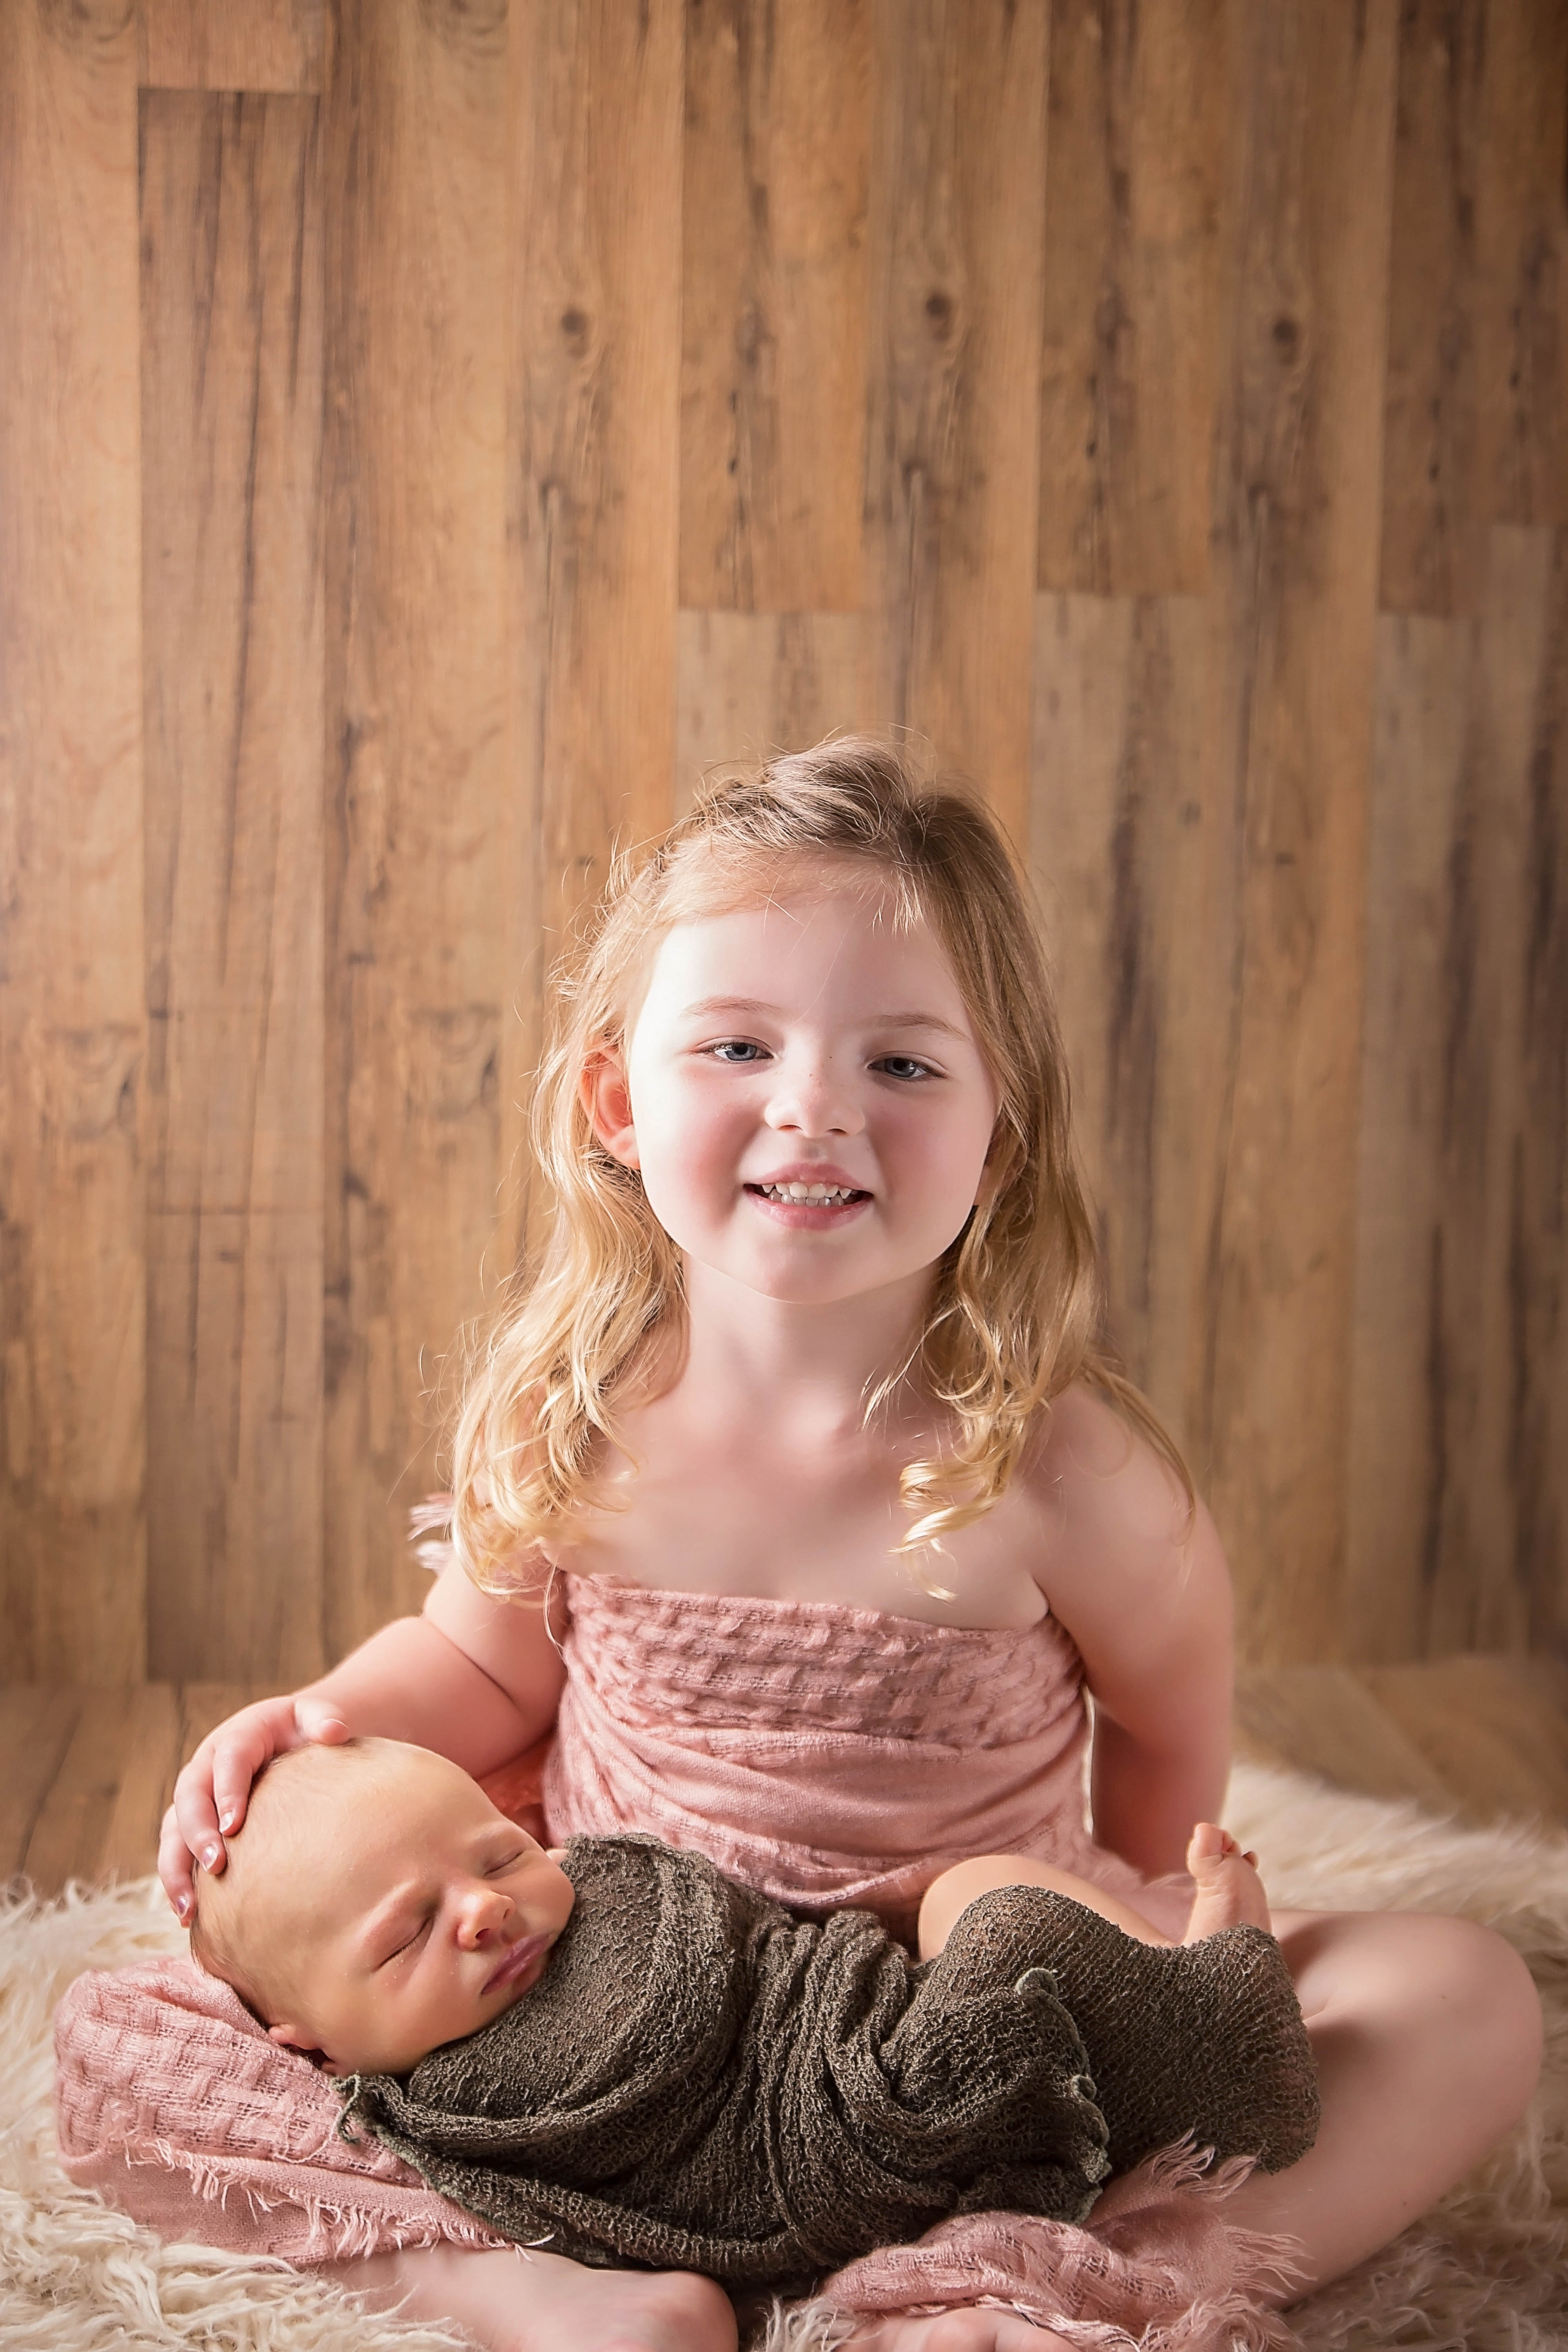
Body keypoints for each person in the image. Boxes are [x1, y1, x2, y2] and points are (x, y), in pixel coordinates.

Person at [160, 741, 1543, 2352]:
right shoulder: (574, 1415)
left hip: (959, 2041)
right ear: (618, 1103)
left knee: (1462, 1997)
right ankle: (547, 2295)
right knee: (170, 2017)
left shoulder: (1061, 1470)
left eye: (901, 1063)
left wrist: (1152, 1952)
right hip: (615, 2027)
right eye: (739, 1044)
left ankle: (1020, 2289)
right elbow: (478, 1667)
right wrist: (321, 1724)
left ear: (997, 1138)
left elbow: (1166, 1742)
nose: (813, 1105)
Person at [185, 1735, 1317, 2283]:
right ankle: (1219, 2017)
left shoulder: (595, 1901)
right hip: (848, 2138)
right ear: (311, 2044)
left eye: (500, 1854)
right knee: (1009, 1937)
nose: (486, 1909)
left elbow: (760, 1941)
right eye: (405, 1936)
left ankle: (1184, 1985)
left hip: (860, 2018)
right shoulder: (441, 2120)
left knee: (975, 1895)